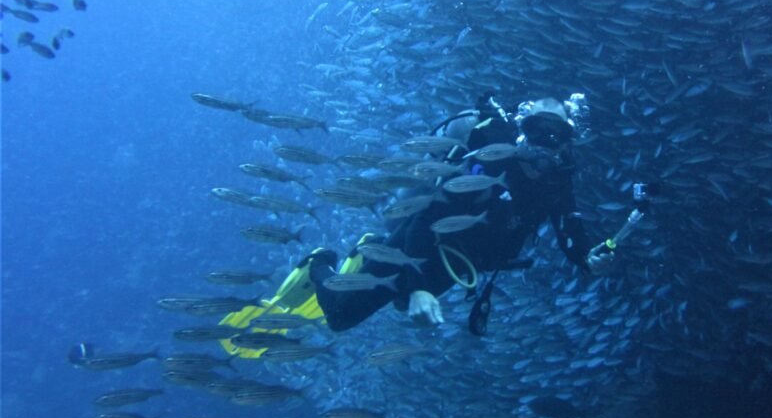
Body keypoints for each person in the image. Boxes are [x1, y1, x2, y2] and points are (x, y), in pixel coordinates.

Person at [219, 94, 612, 353]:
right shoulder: (489, 160)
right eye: (534, 128)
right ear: (521, 127)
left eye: (554, 132)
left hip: (459, 265)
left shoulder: (557, 182)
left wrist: (584, 258)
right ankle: (319, 261)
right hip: (420, 246)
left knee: (403, 302)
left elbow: (569, 227)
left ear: (566, 141)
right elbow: (427, 216)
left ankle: (368, 257)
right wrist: (421, 286)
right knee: (340, 318)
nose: (542, 140)